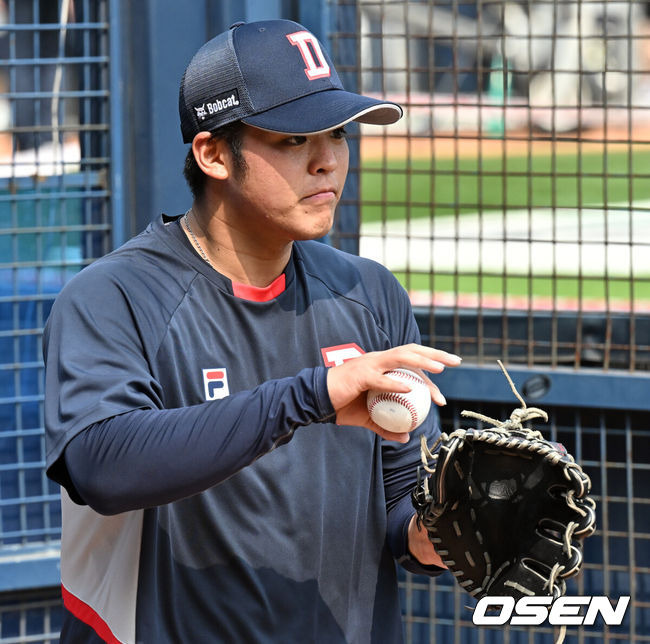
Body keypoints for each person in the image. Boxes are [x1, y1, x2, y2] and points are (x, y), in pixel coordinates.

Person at [43, 19, 461, 644]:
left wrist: (440, 532)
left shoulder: (369, 293)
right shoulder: (114, 295)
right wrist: (313, 396)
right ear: (213, 153)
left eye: (339, 134)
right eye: (294, 140)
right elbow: (102, 465)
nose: (327, 161)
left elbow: (398, 504)